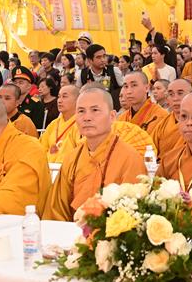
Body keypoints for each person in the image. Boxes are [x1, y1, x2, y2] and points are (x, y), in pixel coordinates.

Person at [42, 89, 146, 221]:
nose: (87, 117)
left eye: (95, 110)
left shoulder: (130, 158)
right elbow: (55, 209)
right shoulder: (72, 158)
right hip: (72, 234)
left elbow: (133, 213)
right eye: (81, 111)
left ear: (112, 116)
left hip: (111, 236)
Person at [145, 79, 192, 159]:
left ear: (191, 96)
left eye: (180, 93)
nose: (175, 98)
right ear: (167, 99)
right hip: (161, 168)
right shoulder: (163, 123)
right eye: (171, 94)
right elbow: (150, 148)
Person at [117, 71, 170, 137]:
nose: (129, 91)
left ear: (147, 88)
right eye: (126, 86)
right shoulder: (122, 118)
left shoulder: (161, 116)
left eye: (134, 85)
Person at [78, 43, 124, 109]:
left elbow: (124, 88)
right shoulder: (82, 74)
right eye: (98, 57)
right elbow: (78, 94)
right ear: (90, 60)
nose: (103, 60)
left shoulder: (114, 70)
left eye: (104, 56)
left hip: (113, 110)